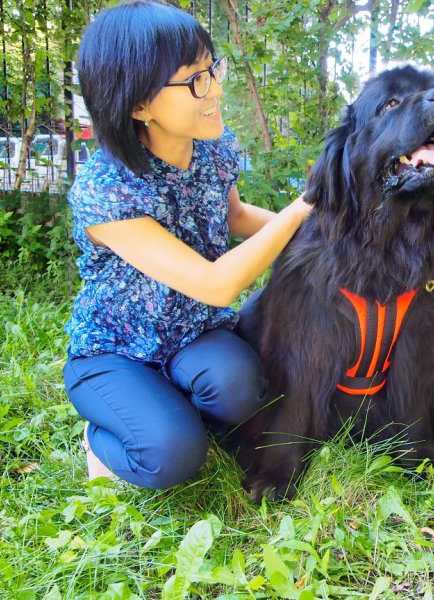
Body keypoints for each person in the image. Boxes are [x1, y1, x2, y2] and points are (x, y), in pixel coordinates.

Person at [62, 0, 311, 489]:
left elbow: (235, 216)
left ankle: (168, 404)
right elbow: (216, 284)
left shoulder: (213, 147)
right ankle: (103, 436)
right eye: (195, 80)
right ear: (138, 105)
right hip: (116, 349)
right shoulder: (105, 189)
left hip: (192, 331)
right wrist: (302, 209)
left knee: (243, 392)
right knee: (172, 455)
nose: (214, 88)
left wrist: (321, 232)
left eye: (213, 68)